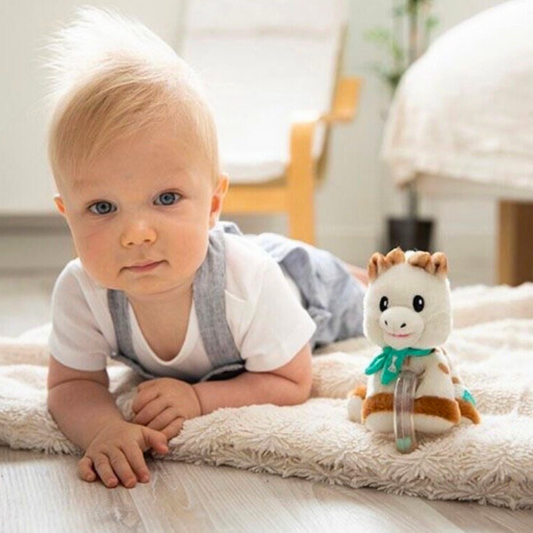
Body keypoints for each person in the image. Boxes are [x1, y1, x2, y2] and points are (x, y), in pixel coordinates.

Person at [45, 6, 368, 490]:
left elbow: (292, 379)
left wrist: (200, 400)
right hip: (233, 261)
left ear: (214, 203)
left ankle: (359, 272)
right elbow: (70, 385)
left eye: (166, 199)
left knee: (368, 300)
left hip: (300, 287)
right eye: (102, 207)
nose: (136, 234)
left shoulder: (249, 279)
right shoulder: (81, 290)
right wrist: (103, 429)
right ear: (66, 212)